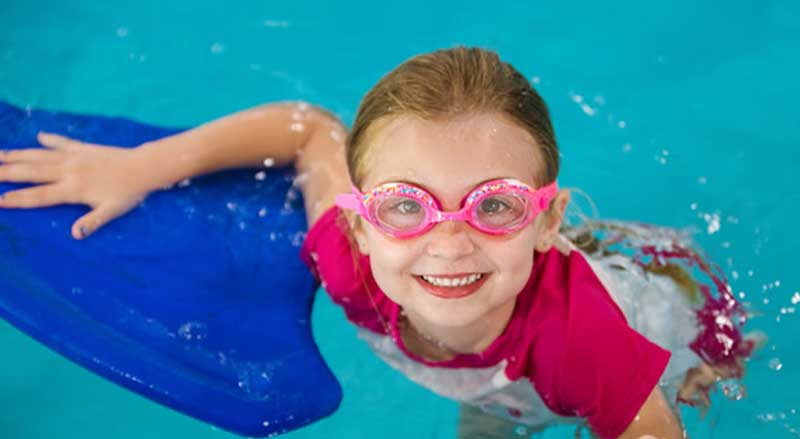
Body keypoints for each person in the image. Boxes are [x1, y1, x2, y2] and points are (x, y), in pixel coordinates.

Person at [0, 47, 754, 438]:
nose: (448, 241)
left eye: (494, 204)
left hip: (667, 313)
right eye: (406, 207)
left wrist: (687, 376)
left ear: (545, 220)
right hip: (504, 371)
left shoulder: (580, 338)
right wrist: (143, 167)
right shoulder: (346, 259)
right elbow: (310, 130)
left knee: (702, 373)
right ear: (361, 221)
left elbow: (649, 426)